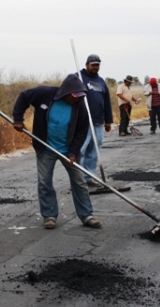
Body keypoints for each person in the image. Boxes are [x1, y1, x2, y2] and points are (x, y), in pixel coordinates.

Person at [12, 73, 102, 229]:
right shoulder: (45, 94)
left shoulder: (80, 106)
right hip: (45, 147)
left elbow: (81, 133)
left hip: (68, 151)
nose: (78, 98)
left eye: (80, 96)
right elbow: (23, 97)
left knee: (79, 182)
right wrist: (18, 119)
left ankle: (87, 215)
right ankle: (49, 216)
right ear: (66, 92)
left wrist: (73, 152)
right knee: (44, 182)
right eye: (75, 95)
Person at [79, 54, 114, 187]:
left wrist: (108, 120)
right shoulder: (78, 77)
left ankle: (89, 177)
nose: (95, 67)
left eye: (97, 65)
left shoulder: (100, 81)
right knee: (81, 150)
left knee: (94, 151)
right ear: (86, 64)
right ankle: (78, 178)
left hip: (98, 122)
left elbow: (106, 101)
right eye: (93, 64)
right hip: (83, 122)